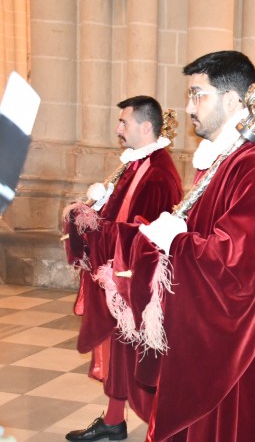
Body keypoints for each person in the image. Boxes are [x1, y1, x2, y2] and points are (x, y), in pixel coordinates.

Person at [112, 51, 255, 441]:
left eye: (197, 95)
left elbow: (243, 270)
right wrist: (162, 235)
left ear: (233, 100)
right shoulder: (223, 160)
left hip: (242, 348)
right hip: (209, 332)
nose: (189, 107)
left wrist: (179, 242)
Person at [63, 96, 182, 441]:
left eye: (124, 123)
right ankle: (114, 421)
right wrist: (94, 211)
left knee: (141, 361)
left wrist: (92, 224)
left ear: (146, 127)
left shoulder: (159, 174)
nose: (118, 129)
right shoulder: (136, 164)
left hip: (134, 283)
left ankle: (170, 428)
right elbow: (119, 218)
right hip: (118, 277)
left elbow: (142, 238)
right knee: (120, 352)